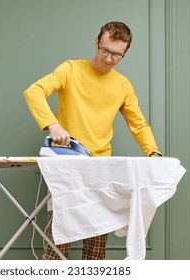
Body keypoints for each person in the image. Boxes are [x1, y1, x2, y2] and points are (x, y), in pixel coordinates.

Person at [23, 21, 162, 260]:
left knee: (96, 245)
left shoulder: (122, 85)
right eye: (104, 50)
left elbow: (138, 124)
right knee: (58, 243)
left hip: (101, 170)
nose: (108, 58)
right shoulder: (70, 69)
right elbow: (33, 91)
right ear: (97, 42)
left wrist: (153, 153)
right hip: (67, 166)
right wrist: (52, 124)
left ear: (125, 52)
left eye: (117, 54)